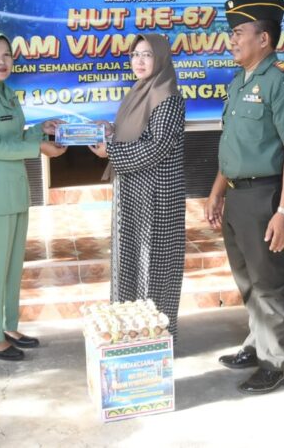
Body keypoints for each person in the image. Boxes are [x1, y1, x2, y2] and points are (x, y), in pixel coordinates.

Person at [205, 0, 284, 394]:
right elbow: (232, 147)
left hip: (266, 195)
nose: (231, 40)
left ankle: (276, 362)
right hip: (236, 196)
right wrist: (217, 192)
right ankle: (258, 342)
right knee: (247, 279)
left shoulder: (282, 81)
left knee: (269, 281)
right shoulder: (239, 82)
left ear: (263, 38)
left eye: (238, 33)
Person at [0, 31, 66, 361]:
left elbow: (12, 136)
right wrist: (37, 146)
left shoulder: (7, 94)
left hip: (15, 193)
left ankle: (8, 325)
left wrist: (39, 130)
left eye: (7, 54)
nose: (2, 61)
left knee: (11, 266)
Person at [88, 34, 186, 338]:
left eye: (147, 55)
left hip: (156, 197)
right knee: (129, 259)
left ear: (161, 59)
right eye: (135, 55)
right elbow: (136, 133)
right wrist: (112, 131)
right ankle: (127, 333)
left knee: (153, 265)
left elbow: (157, 146)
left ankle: (154, 338)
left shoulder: (167, 96)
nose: (139, 61)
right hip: (133, 192)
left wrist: (111, 151)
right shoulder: (138, 92)